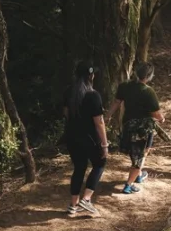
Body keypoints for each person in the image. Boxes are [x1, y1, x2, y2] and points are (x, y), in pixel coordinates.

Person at [107, 62, 164, 194]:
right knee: (141, 155)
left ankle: (137, 175)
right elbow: (156, 113)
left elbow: (116, 102)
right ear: (149, 76)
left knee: (136, 153)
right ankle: (129, 185)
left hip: (128, 125)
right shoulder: (148, 91)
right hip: (143, 129)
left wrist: (108, 115)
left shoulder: (125, 86)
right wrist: (161, 119)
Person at [62, 62, 107, 215]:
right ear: (91, 76)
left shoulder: (69, 92)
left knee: (79, 167)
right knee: (100, 164)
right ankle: (86, 199)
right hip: (90, 138)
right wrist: (105, 144)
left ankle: (73, 205)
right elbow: (99, 122)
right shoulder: (93, 95)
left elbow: (66, 114)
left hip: (72, 137)